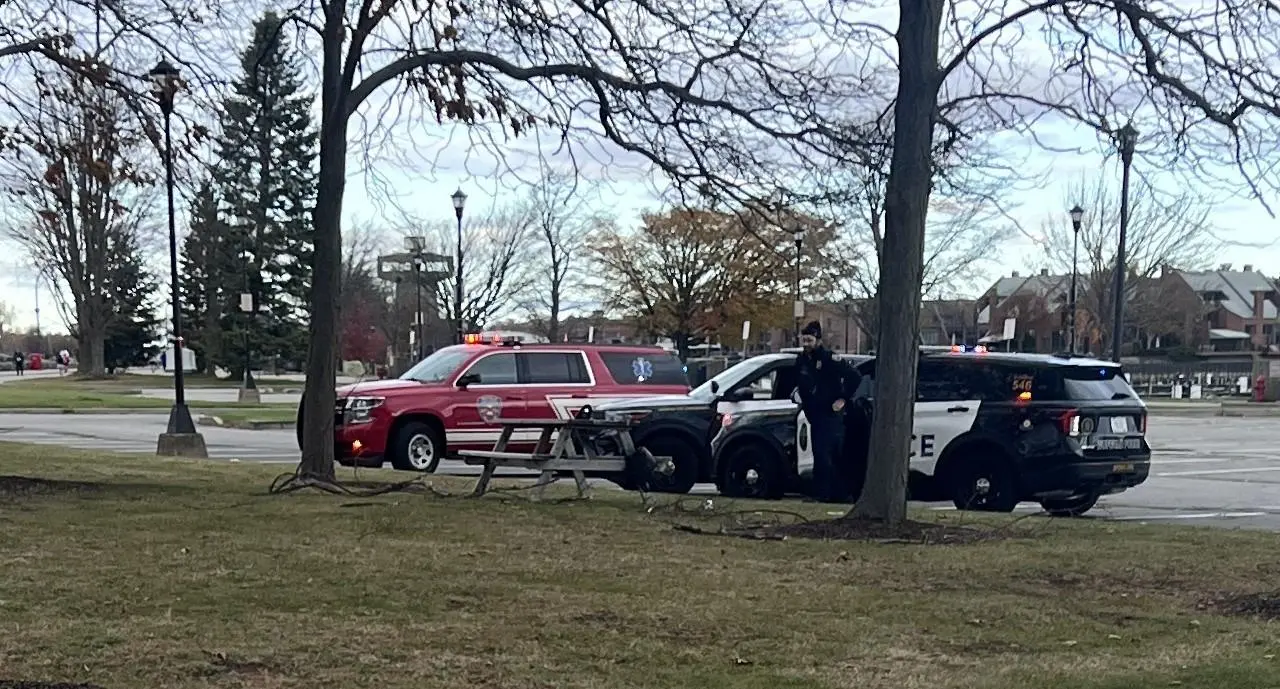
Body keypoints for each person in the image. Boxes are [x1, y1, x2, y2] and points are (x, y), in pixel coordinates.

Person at [794, 320, 861, 503]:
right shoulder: (802, 361)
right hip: (814, 415)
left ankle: (827, 494)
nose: (806, 344)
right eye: (804, 340)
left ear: (818, 340)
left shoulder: (829, 359)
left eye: (809, 340)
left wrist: (843, 399)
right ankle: (825, 493)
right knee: (819, 453)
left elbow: (854, 376)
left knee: (826, 455)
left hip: (830, 415)